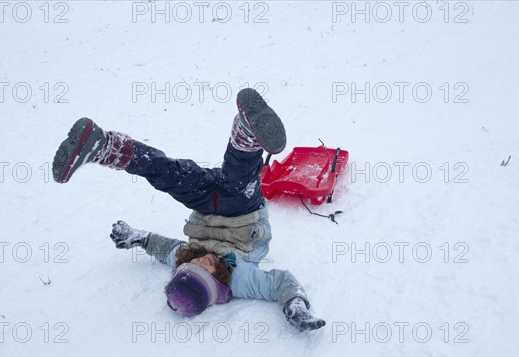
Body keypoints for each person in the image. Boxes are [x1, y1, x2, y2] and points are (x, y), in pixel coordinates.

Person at [52, 88, 326, 331]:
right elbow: (279, 282)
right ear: (215, 284)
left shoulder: (184, 259)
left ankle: (103, 145)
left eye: (192, 264)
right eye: (205, 270)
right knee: (237, 180)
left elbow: (162, 247)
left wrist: (137, 237)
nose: (202, 261)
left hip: (205, 205)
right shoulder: (238, 279)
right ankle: (246, 133)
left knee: (168, 174)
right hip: (242, 213)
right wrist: (295, 304)